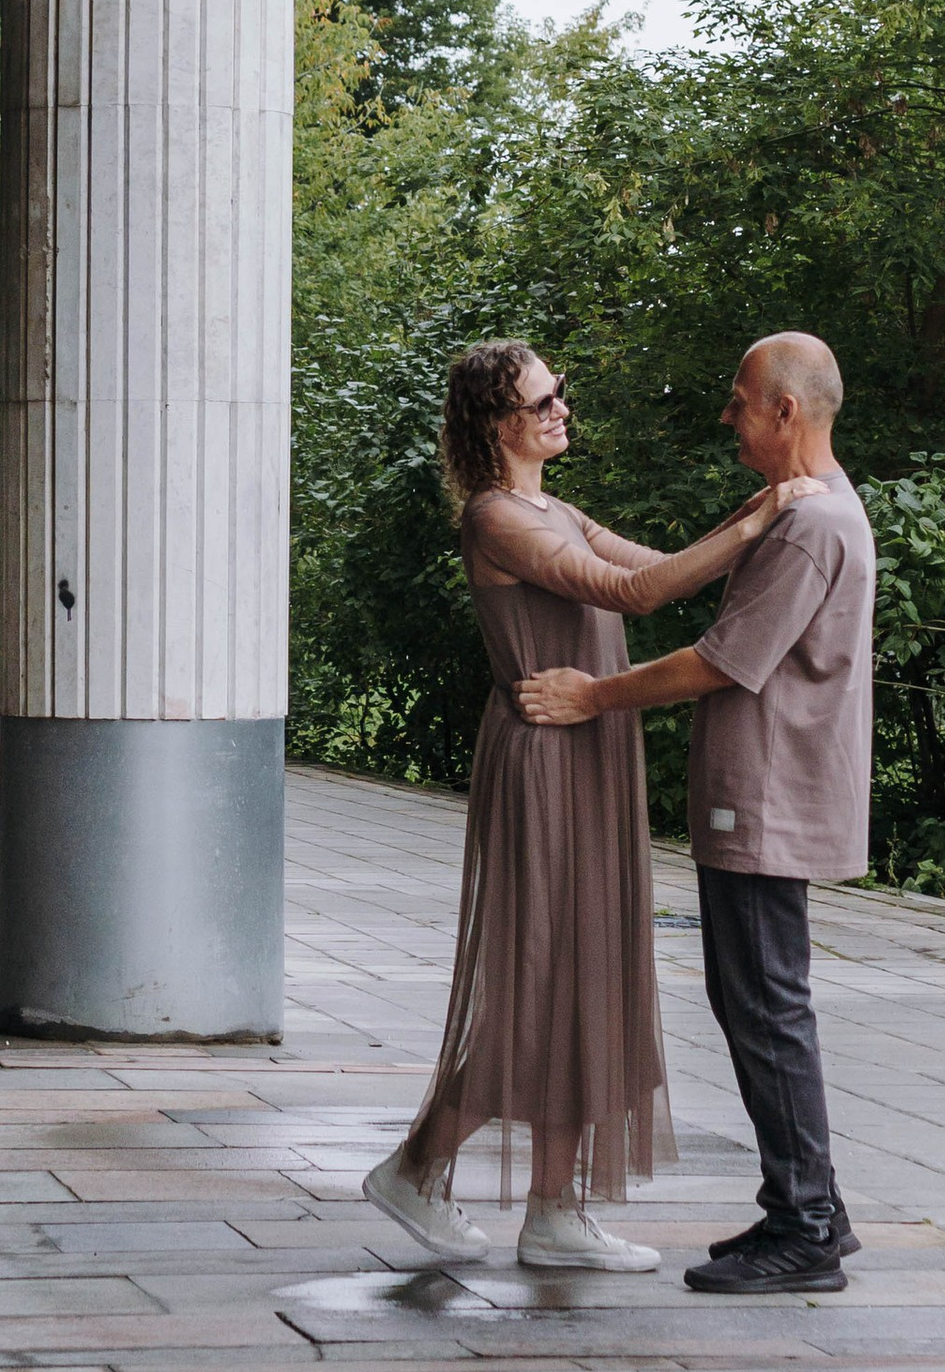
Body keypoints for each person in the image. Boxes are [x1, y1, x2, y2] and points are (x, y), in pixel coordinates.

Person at [364, 342, 799, 1275]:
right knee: (539, 980)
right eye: (544, 397)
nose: (564, 406)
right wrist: (765, 514)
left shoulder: (555, 508)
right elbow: (633, 591)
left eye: (561, 391)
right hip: (545, 756)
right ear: (499, 423)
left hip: (591, 748)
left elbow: (669, 566)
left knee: (583, 973)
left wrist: (762, 516)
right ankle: (416, 1167)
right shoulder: (496, 517)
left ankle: (554, 1211)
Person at [518, 331, 871, 1296]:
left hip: (767, 800)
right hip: (763, 796)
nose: (729, 415)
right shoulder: (802, 512)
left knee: (764, 1005)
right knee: (757, 999)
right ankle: (810, 1206)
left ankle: (804, 1224)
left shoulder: (811, 525)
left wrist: (592, 695)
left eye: (740, 399)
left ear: (786, 412)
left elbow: (721, 659)